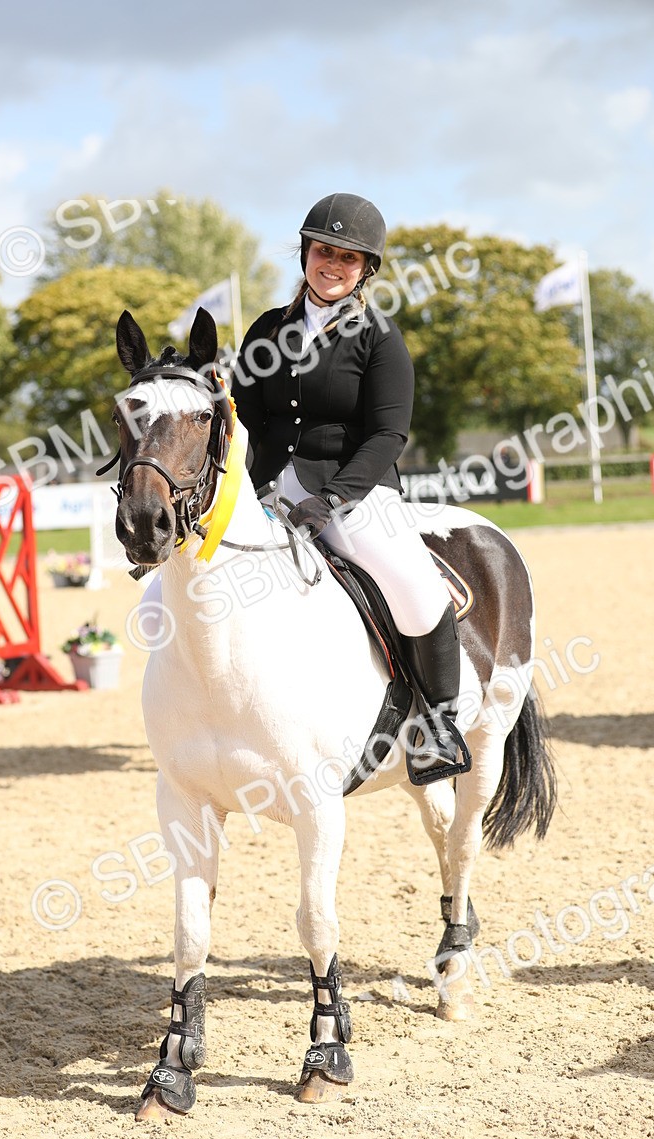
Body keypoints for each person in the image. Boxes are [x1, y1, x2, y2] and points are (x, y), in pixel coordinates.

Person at [230, 192, 468, 772]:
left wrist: (331, 498)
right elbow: (245, 417)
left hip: (355, 489)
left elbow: (389, 435)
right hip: (268, 487)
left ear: (365, 270)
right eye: (323, 251)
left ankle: (438, 725)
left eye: (348, 258)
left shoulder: (379, 337)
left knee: (412, 585)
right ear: (306, 253)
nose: (332, 265)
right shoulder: (267, 329)